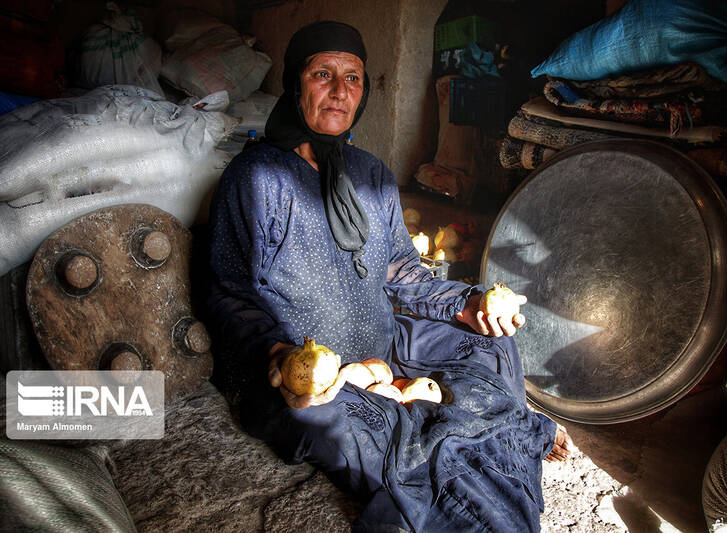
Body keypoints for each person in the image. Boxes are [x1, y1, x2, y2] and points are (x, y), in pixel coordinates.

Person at [206, 20, 571, 532]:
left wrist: (465, 304)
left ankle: (450, 419)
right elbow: (228, 292)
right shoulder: (256, 178)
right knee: (332, 420)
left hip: (387, 343)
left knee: (492, 347)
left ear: (364, 91)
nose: (339, 91)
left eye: (352, 78)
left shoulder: (371, 173)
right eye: (322, 74)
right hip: (309, 371)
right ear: (295, 85)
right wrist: (277, 355)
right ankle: (461, 438)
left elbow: (401, 273)